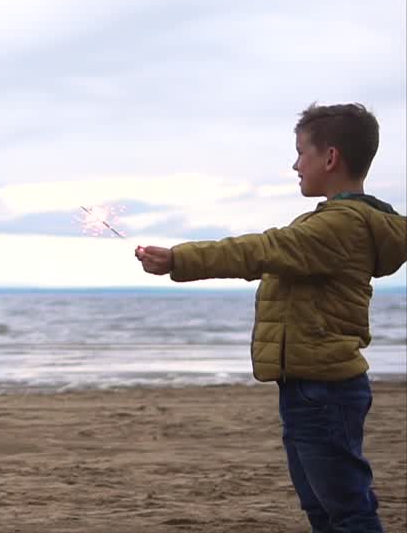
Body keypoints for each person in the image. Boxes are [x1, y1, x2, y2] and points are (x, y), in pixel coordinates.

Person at [136, 102, 406, 533]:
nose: (296, 164)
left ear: (331, 157)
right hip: (310, 385)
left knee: (347, 512)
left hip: (324, 390)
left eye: (302, 152)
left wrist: (177, 259)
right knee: (324, 510)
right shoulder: (336, 223)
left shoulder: (338, 227)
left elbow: (258, 250)